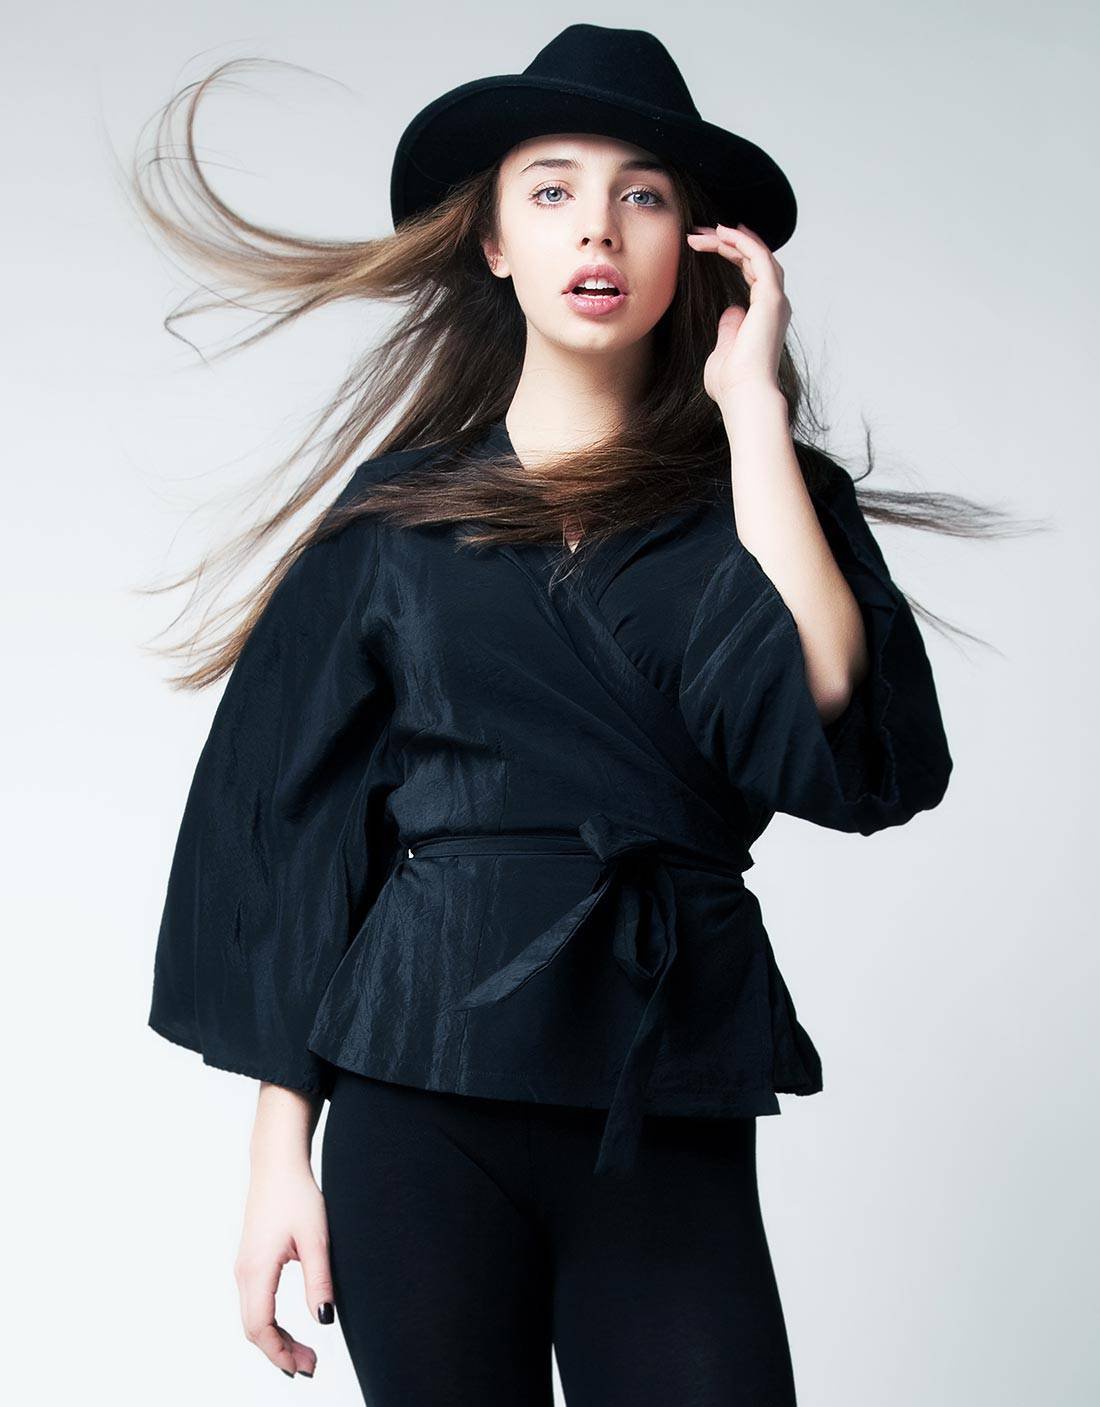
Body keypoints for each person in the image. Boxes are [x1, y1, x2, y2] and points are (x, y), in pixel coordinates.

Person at [137, 23, 973, 1405]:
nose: (598, 227)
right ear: (493, 244)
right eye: (553, 190)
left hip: (665, 1082)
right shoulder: (396, 517)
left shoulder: (768, 494)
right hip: (417, 1094)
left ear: (695, 245)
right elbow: (294, 832)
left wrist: (752, 416)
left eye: (642, 194)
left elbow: (842, 719)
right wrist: (279, 1156)